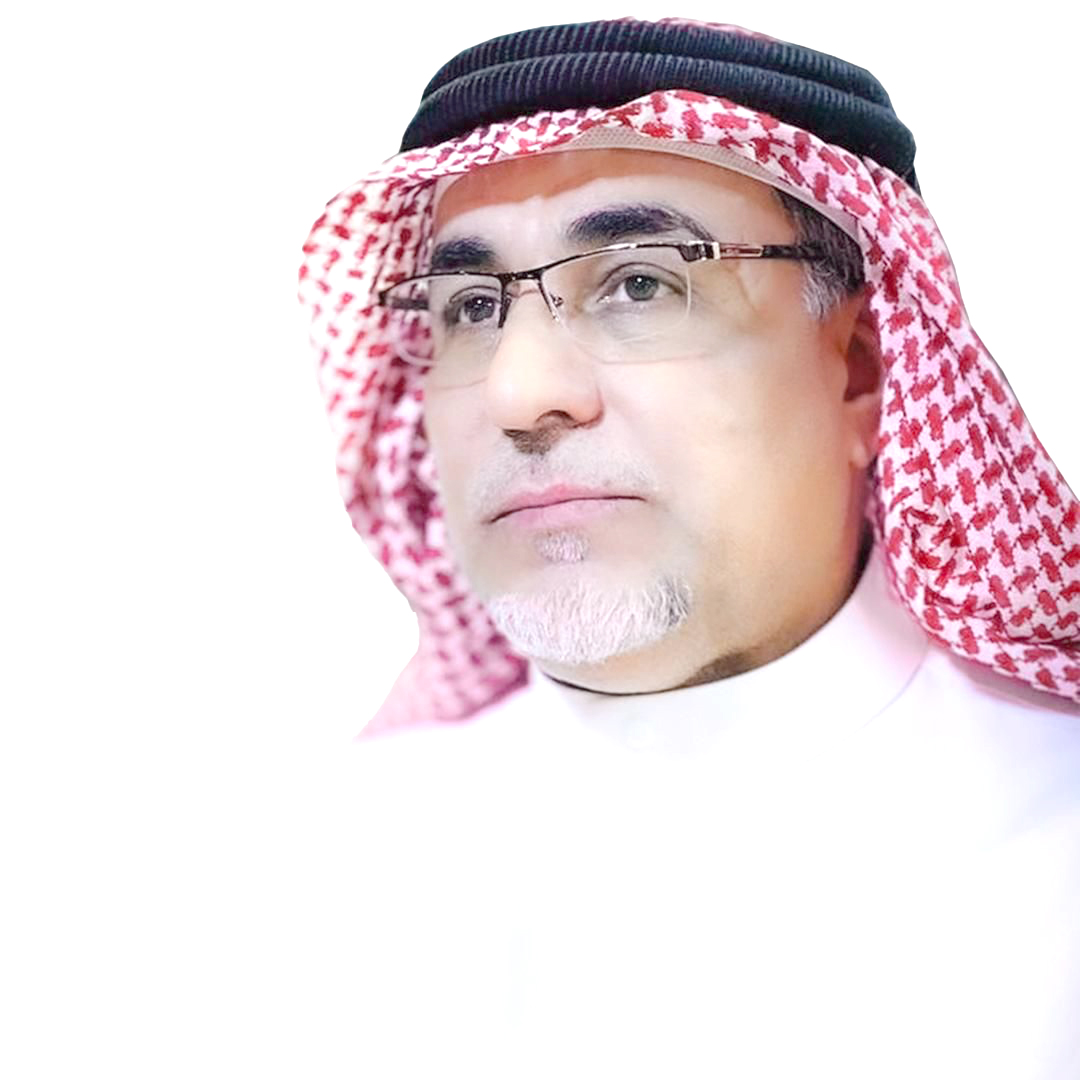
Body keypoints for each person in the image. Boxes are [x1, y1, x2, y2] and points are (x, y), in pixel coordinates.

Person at [298, 18, 1080, 1078]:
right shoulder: (329, 871)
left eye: (642, 283)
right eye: (470, 307)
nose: (520, 392)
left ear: (862, 368)